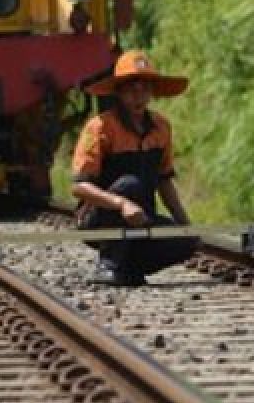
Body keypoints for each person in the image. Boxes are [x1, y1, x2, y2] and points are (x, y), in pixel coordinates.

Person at [71, 50, 199, 286]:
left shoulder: (161, 127)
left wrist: (184, 223)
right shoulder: (100, 127)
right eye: (131, 90)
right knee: (129, 184)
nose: (138, 97)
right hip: (97, 218)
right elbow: (80, 188)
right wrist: (121, 203)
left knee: (185, 242)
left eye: (145, 90)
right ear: (119, 92)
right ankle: (108, 264)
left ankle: (129, 268)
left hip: (141, 218)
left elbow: (163, 180)